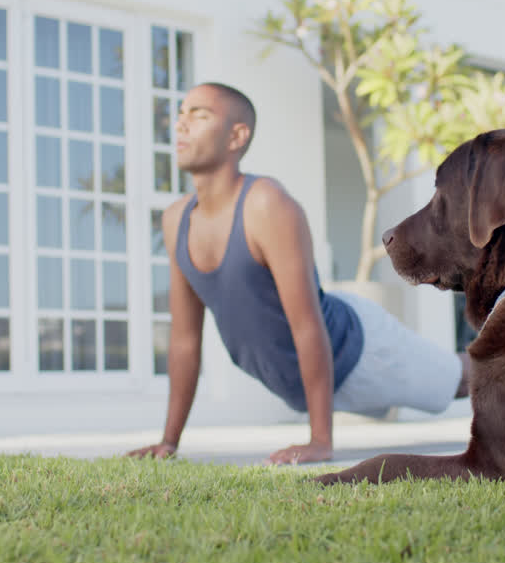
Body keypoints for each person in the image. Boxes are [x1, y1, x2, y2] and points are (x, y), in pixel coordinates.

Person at [126, 82, 470, 465]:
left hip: (359, 350)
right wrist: (168, 442)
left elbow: (307, 324)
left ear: (237, 136)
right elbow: (184, 341)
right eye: (180, 115)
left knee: (463, 378)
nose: (181, 125)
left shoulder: (266, 205)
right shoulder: (176, 220)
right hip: (313, 376)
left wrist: (320, 441)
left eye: (199, 115)